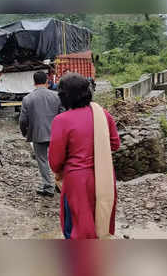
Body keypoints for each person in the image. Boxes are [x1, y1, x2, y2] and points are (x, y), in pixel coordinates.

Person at [48, 73, 120, 239]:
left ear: (64, 96)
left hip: (77, 182)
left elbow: (55, 161)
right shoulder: (103, 114)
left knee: (76, 227)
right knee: (101, 223)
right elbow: (115, 144)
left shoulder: (62, 120)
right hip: (104, 177)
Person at [19, 71, 63, 197]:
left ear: (34, 83)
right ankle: (60, 184)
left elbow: (22, 120)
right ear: (47, 81)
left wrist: (25, 133)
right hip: (56, 134)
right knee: (59, 160)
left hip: (38, 134)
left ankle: (48, 187)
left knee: (42, 160)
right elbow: (63, 115)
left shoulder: (27, 99)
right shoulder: (57, 96)